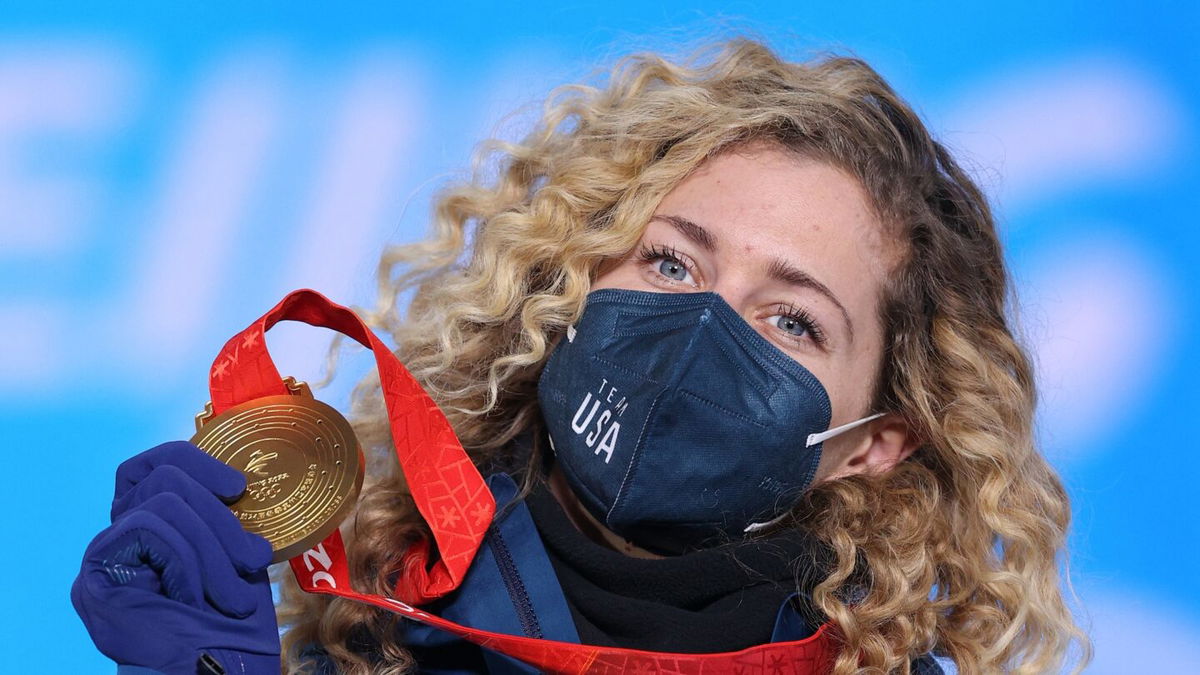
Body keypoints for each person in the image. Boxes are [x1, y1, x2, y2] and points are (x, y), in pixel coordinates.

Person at [72, 38, 1091, 674]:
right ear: (572, 278)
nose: (703, 326)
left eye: (792, 322)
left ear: (874, 441)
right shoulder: (362, 638)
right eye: (669, 260)